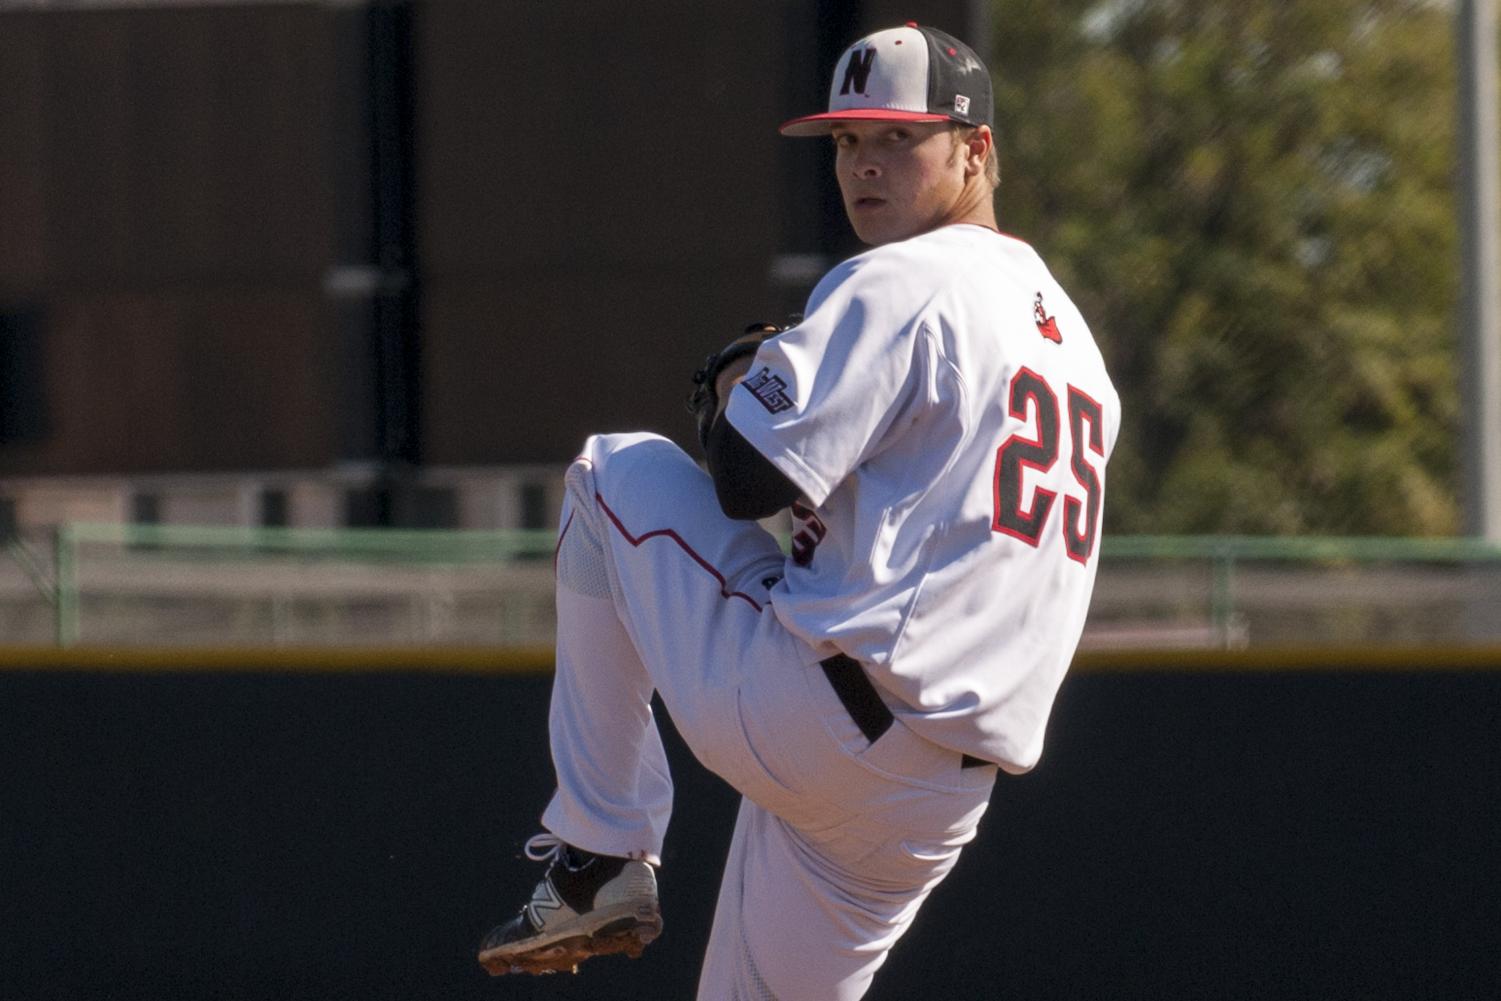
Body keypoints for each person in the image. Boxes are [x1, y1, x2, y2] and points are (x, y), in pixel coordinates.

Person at [477, 21, 1120, 1000]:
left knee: (609, 475)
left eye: (897, 139)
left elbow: (744, 481)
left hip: (820, 716)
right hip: (929, 801)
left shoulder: (905, 276)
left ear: (976, 150)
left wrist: (750, 388)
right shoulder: (1074, 344)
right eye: (847, 141)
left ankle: (601, 852)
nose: (864, 165)